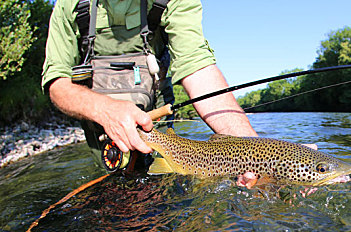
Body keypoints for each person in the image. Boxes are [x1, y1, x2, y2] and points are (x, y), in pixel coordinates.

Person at [42, 0, 258, 160]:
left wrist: (252, 149)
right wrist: (105, 110)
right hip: (101, 132)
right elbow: (57, 84)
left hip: (160, 130)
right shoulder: (69, 4)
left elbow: (198, 69)